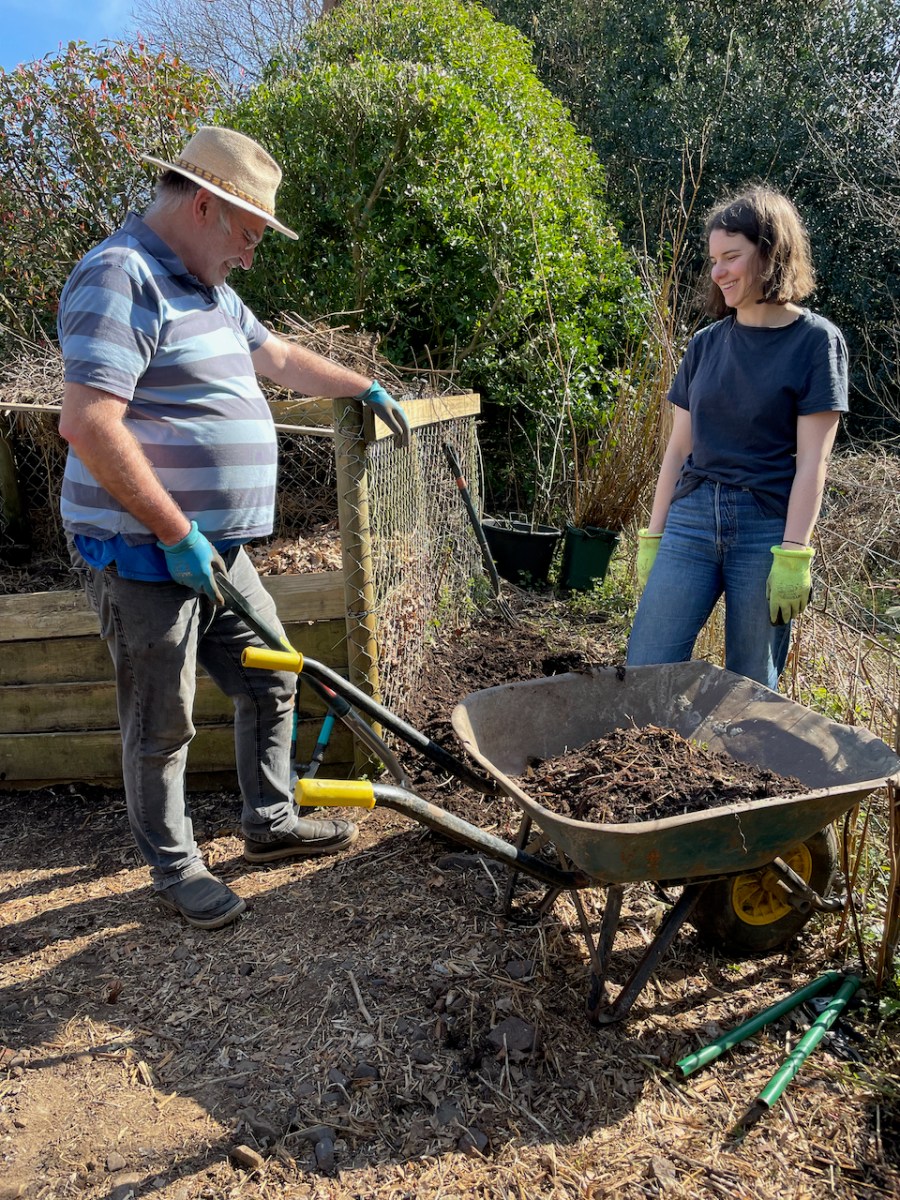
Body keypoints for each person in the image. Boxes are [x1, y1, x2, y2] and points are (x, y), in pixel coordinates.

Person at [58, 126, 411, 930]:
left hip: (216, 550)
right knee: (163, 721)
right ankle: (176, 867)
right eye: (250, 235)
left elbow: (278, 356)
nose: (251, 254)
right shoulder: (122, 276)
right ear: (208, 207)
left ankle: (269, 821)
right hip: (148, 554)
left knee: (271, 675)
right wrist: (177, 531)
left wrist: (363, 387)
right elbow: (89, 424)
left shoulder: (208, 287)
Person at [626, 185, 848, 689]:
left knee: (749, 688)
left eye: (731, 257)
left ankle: (736, 771)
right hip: (691, 519)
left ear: (771, 254)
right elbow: (678, 450)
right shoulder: (705, 344)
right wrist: (655, 534)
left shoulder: (816, 342)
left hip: (764, 530)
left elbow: (814, 461)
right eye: (713, 260)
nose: (718, 272)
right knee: (645, 668)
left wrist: (795, 551)